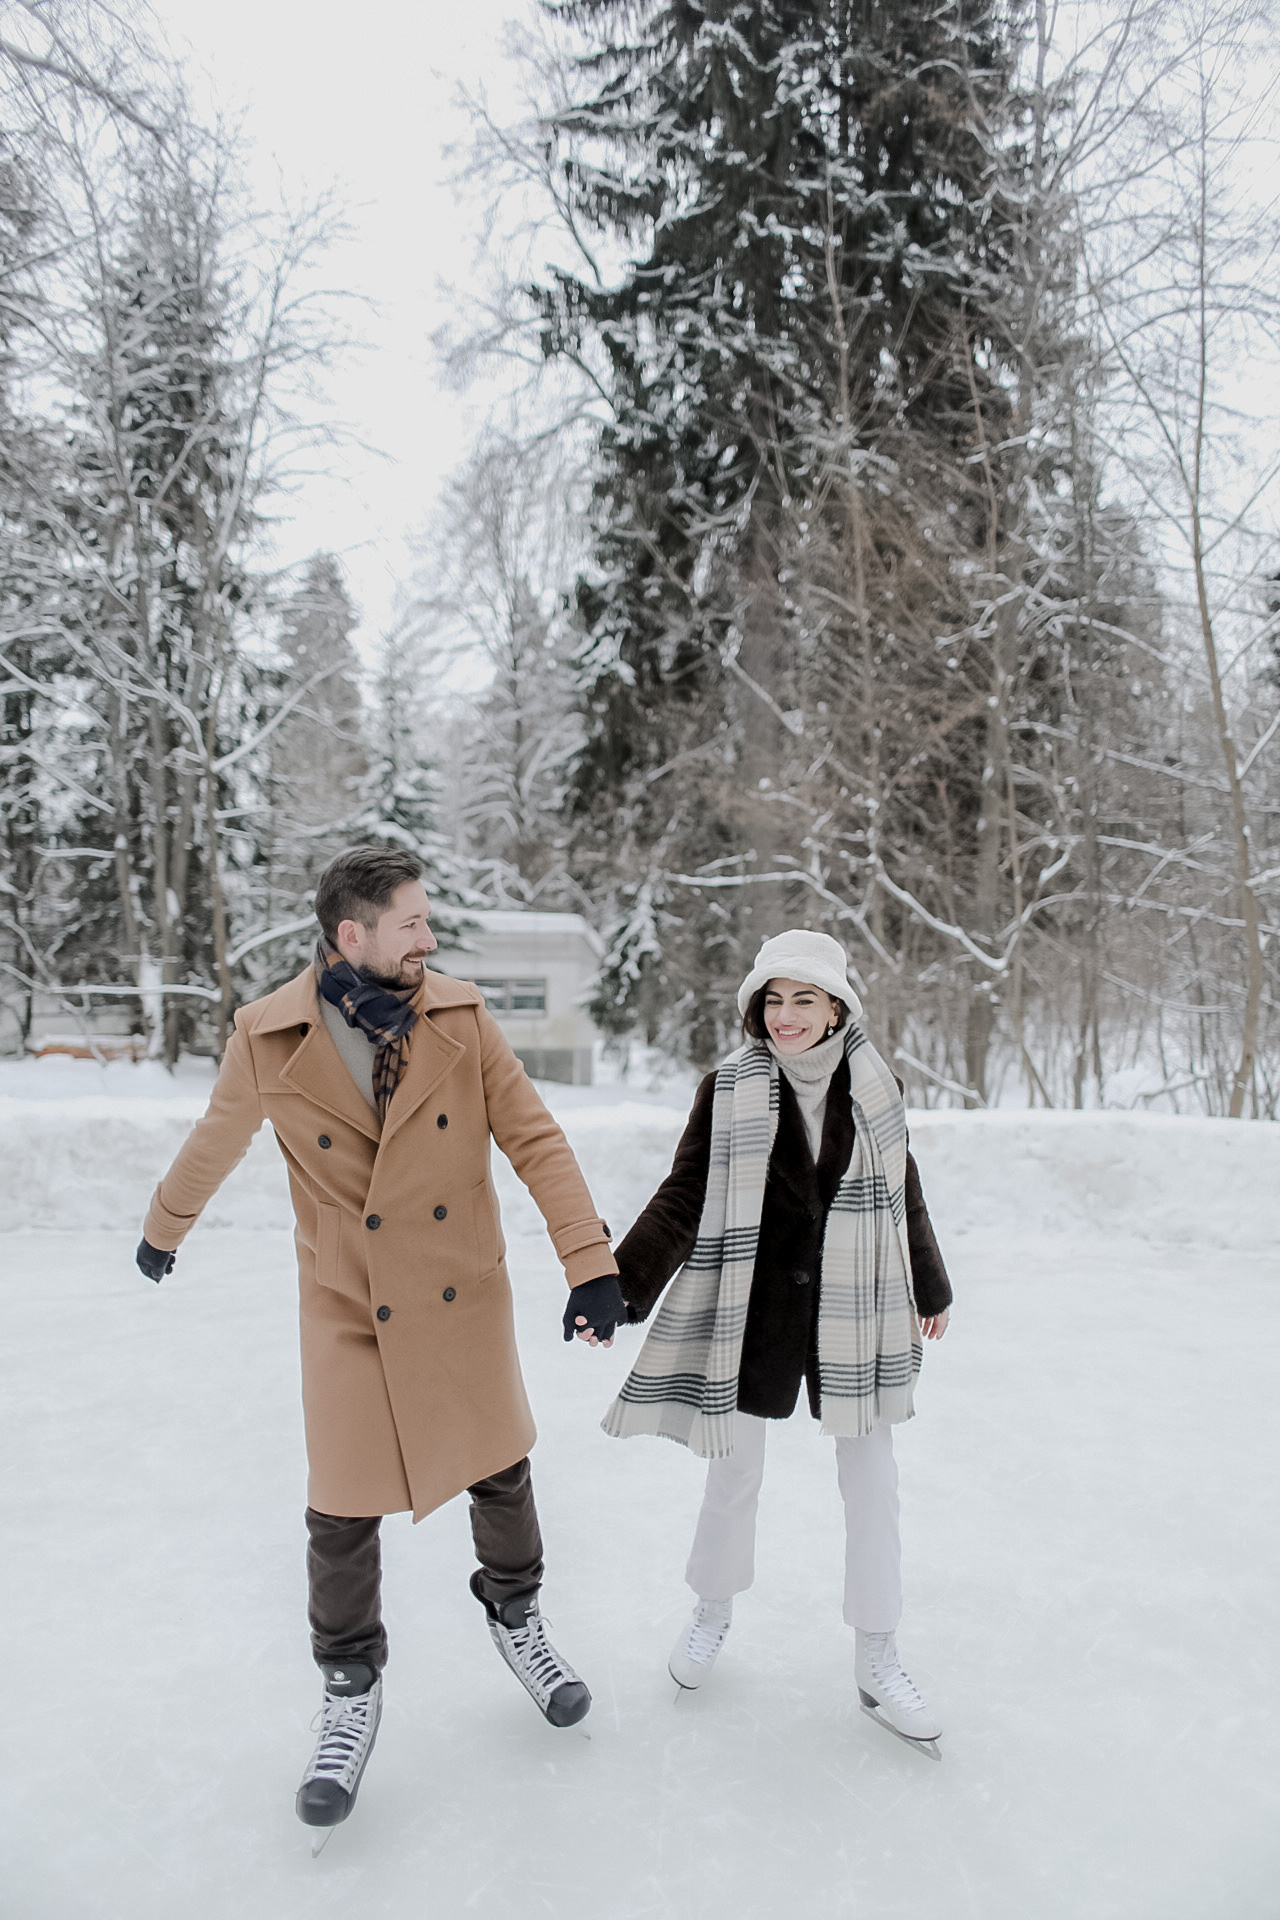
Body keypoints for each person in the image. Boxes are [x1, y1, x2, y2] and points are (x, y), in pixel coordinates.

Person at [135, 846, 626, 1839]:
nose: (429, 938)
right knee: (342, 1507)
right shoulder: (266, 1040)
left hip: (459, 1292)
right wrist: (161, 1230)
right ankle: (349, 1688)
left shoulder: (458, 1017)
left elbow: (533, 1138)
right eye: (412, 923)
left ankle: (517, 1620)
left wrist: (589, 1260)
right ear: (351, 935)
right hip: (350, 1309)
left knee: (500, 1470)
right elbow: (215, 1143)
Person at [600, 929, 952, 1755]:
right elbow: (685, 1193)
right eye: (772, 1000)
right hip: (753, 1309)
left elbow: (906, 1190)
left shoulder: (877, 1086)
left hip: (854, 1307)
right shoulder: (727, 1088)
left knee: (873, 1483)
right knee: (734, 1476)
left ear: (838, 1008)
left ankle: (878, 1654)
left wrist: (929, 1284)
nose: (786, 1016)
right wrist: (624, 1284)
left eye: (804, 999)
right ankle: (712, 1610)